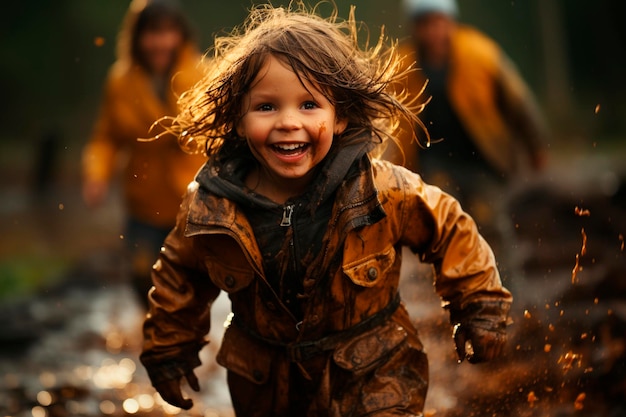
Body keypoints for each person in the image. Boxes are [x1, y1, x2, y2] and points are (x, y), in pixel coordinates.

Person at [139, 4, 512, 416]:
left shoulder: (381, 190)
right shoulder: (212, 207)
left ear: (339, 118)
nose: (287, 122)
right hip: (267, 386)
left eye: (308, 105)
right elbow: (180, 276)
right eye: (266, 107)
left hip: (374, 370)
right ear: (240, 119)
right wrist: (168, 349)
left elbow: (449, 227)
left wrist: (481, 306)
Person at [386, 0, 548, 263]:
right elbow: (395, 124)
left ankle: (503, 289)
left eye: (438, 22)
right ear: (415, 28)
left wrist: (536, 146)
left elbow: (518, 102)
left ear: (451, 22)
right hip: (434, 161)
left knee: (491, 223)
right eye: (425, 24)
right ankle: (455, 293)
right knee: (443, 226)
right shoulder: (403, 65)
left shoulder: (480, 54)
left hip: (481, 158)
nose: (433, 31)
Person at [81, 0, 205, 307]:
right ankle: (152, 335)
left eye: (168, 32)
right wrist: (96, 176)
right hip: (143, 199)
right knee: (142, 278)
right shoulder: (120, 81)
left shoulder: (203, 72)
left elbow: (216, 133)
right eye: (152, 33)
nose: (160, 42)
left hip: (194, 197)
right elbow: (106, 138)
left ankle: (188, 343)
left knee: (193, 281)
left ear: (180, 35)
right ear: (137, 37)